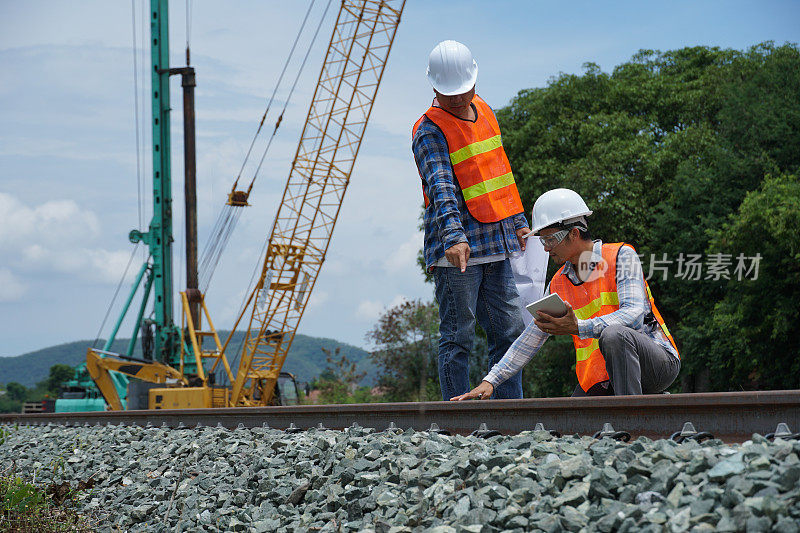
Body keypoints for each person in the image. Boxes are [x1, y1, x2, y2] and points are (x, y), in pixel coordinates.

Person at [452, 188, 680, 400]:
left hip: (657, 363)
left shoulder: (622, 256)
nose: (545, 248)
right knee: (570, 424)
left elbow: (634, 315)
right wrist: (491, 380)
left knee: (614, 335)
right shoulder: (559, 283)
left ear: (574, 233)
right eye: (542, 240)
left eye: (550, 239)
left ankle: (629, 421)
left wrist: (579, 327)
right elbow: (531, 337)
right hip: (601, 375)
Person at [412, 40, 530, 401]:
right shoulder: (428, 130)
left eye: (464, 91)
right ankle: (456, 422)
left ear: (474, 83)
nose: (460, 99)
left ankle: (512, 414)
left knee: (508, 333)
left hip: (496, 239)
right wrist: (454, 237)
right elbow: (442, 187)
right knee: (457, 336)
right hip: (457, 249)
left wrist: (518, 220)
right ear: (434, 87)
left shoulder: (486, 112)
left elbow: (501, 173)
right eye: (451, 95)